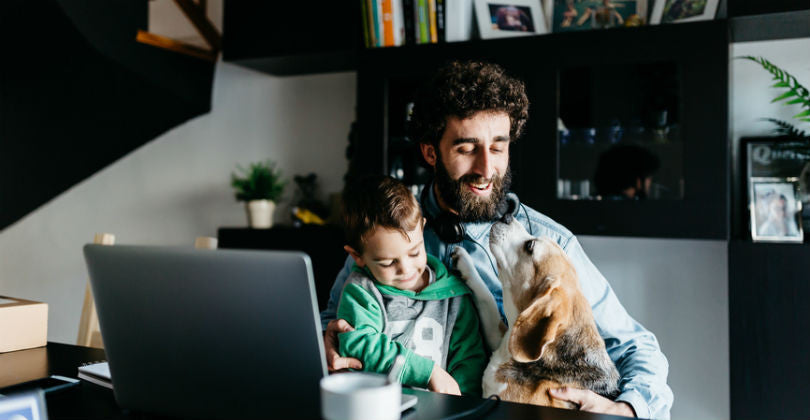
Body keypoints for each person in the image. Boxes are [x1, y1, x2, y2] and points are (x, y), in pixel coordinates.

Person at [322, 61, 674, 419]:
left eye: (498, 147)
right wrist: (327, 342)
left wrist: (627, 408)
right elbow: (335, 318)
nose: (486, 168)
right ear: (431, 152)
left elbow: (635, 346)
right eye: (466, 148)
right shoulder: (384, 235)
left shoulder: (549, 245)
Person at [334, 175, 487, 396]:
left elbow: (469, 360)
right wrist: (429, 373)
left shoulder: (454, 294)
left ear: (422, 229)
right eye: (388, 262)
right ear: (357, 256)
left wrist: (461, 405)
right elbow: (360, 345)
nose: (405, 269)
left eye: (414, 252)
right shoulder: (361, 292)